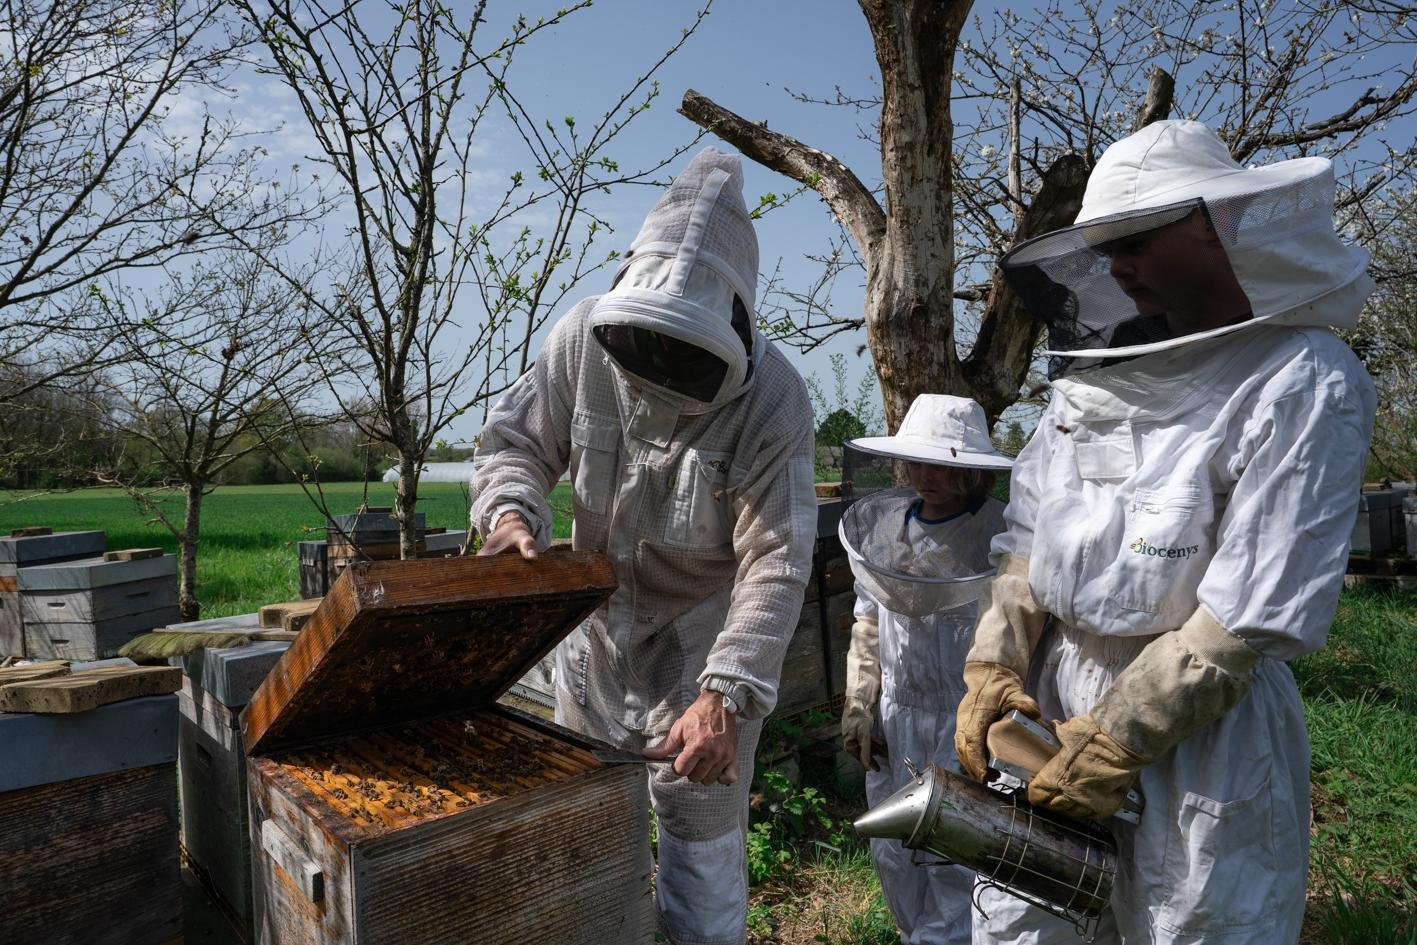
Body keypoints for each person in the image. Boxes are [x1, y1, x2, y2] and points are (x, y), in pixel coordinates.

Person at [955, 119, 1376, 944]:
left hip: (1197, 727)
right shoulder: (1087, 386)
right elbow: (1027, 546)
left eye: (1137, 239)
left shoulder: (1304, 378)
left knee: (1195, 925)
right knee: (1020, 925)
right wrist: (993, 661)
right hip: (1049, 700)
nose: (1116, 267)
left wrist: (1117, 736)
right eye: (1104, 248)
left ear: (1214, 226)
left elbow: (1246, 613)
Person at [470, 147, 817, 945]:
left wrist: (725, 694)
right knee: (587, 836)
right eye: (645, 345)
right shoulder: (576, 342)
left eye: (682, 353)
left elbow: (777, 556)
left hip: (703, 651)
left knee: (700, 848)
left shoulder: (773, 399)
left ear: (733, 322)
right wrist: (513, 514)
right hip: (592, 649)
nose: (658, 369)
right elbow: (514, 444)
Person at [838, 394, 1012, 945]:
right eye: (917, 461)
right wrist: (861, 703)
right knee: (895, 851)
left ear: (972, 470)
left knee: (958, 858)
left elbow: (1016, 626)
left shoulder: (997, 532)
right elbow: (867, 620)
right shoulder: (886, 527)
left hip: (966, 717)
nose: (926, 475)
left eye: (942, 464)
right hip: (898, 713)